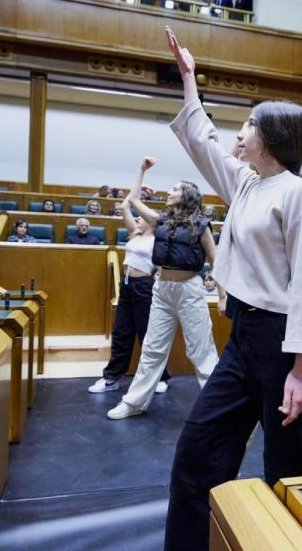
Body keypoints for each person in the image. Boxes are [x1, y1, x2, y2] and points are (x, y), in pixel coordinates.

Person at [163, 28, 302, 550]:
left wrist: (300, 371)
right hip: (244, 337)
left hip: (283, 347)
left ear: (273, 137)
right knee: (198, 453)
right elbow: (203, 140)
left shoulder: (298, 193)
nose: (241, 130)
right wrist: (189, 78)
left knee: (288, 468)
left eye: (251, 123)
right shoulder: (249, 181)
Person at [106, 158, 220, 419]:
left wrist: (222, 296)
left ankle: (216, 406)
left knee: (201, 350)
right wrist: (141, 170)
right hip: (162, 289)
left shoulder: (201, 226)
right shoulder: (161, 221)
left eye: (175, 189)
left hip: (190, 289)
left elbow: (216, 262)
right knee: (152, 348)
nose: (170, 192)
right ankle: (134, 403)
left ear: (187, 196)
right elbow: (133, 201)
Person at [90, 166, 172, 395]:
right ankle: (111, 378)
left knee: (148, 334)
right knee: (121, 333)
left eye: (142, 217)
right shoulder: (135, 233)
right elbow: (126, 204)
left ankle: (160, 377)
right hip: (126, 286)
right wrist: (141, 172)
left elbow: (150, 214)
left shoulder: (159, 234)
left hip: (145, 286)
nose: (138, 218)